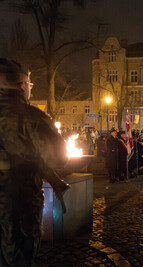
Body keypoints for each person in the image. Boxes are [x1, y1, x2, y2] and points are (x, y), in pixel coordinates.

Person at [0, 59, 69, 266]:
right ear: (22, 86)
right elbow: (60, 158)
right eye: (29, 85)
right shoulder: (32, 117)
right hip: (21, 212)